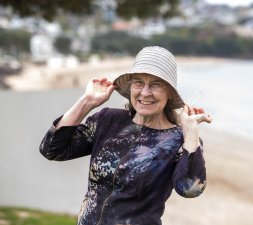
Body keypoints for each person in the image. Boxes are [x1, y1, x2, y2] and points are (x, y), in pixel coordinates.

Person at [39, 46, 212, 225]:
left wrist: (190, 131)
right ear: (130, 87)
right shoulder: (108, 120)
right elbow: (51, 150)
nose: (145, 92)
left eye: (156, 84)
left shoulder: (178, 140)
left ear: (169, 92)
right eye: (138, 83)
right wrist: (87, 102)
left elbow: (189, 189)